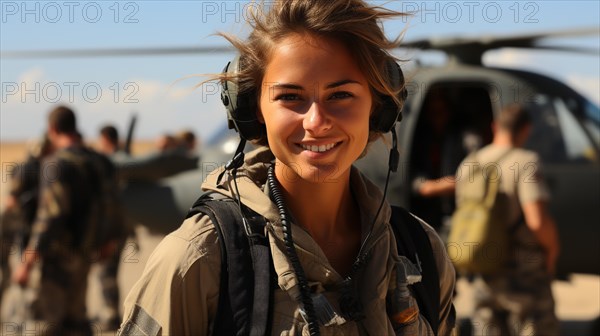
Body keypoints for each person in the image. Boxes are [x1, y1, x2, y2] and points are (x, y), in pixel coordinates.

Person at [119, 1, 456, 335]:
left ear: (378, 107)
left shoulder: (419, 251)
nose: (317, 122)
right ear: (254, 111)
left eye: (340, 95)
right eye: (290, 97)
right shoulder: (198, 260)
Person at [12, 105, 120, 336]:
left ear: (51, 128)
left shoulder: (55, 164)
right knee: (77, 322)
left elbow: (50, 217)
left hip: (58, 260)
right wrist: (108, 241)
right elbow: (114, 204)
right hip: (86, 254)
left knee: (43, 324)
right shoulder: (100, 162)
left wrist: (27, 261)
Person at [455, 103, 560, 335]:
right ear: (526, 130)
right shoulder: (526, 161)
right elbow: (537, 221)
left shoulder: (468, 165)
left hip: (483, 268)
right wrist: (552, 251)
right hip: (524, 274)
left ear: (495, 127)